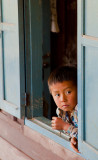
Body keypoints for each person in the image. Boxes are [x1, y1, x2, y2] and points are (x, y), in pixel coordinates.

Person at [48, 65, 79, 153]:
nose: (62, 99)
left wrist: (65, 126)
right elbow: (73, 133)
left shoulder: (81, 111)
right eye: (57, 95)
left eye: (68, 92)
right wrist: (73, 137)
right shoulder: (61, 111)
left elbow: (88, 139)